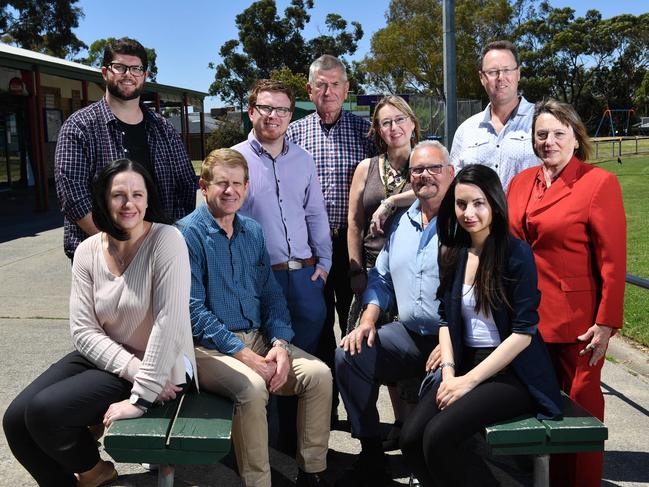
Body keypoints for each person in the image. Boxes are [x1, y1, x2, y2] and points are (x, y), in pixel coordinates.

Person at [4, 159, 197, 487]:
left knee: (44, 412)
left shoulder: (167, 240)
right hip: (112, 359)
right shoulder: (87, 251)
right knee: (14, 420)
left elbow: (170, 322)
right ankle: (89, 476)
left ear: (148, 199)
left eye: (138, 194)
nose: (129, 203)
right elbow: (83, 330)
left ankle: (94, 471)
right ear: (103, 200)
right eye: (118, 194)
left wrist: (141, 398)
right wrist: (131, 368)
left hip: (160, 366)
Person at [399, 164, 562, 486]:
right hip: (463, 367)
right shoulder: (455, 251)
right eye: (461, 204)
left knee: (438, 438)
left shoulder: (516, 254)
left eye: (478, 203)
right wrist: (448, 373)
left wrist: (467, 382)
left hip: (510, 374)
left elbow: (523, 333)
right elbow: (446, 318)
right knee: (411, 439)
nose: (469, 212)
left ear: (494, 204)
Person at [177, 148, 332, 487]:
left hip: (260, 339)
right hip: (209, 349)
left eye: (236, 183)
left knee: (318, 375)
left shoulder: (253, 231)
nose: (229, 191)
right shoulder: (186, 234)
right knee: (252, 388)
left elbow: (271, 295)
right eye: (221, 184)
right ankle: (257, 482)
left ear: (247, 188)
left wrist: (278, 343)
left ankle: (312, 472)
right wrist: (245, 356)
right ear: (204, 187)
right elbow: (193, 310)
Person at [507, 99, 626, 487]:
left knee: (581, 411)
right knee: (541, 408)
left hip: (580, 325)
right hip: (527, 321)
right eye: (542, 134)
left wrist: (606, 322)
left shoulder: (598, 183)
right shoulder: (521, 182)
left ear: (576, 138)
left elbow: (612, 260)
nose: (549, 141)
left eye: (559, 133)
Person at [334, 140, 454, 486]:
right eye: (417, 170)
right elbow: (382, 278)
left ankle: (432, 464)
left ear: (450, 173)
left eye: (433, 168)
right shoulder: (403, 222)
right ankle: (371, 455)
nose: (424, 176)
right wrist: (368, 320)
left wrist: (452, 344)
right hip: (410, 335)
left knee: (437, 391)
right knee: (350, 354)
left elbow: (476, 296)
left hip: (452, 341)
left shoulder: (464, 220)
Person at [55, 37, 197, 260]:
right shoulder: (79, 127)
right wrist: (116, 247)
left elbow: (186, 186)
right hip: (100, 257)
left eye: (135, 68)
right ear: (105, 72)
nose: (128, 74)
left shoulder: (163, 128)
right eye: (119, 67)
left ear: (145, 76)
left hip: (158, 254)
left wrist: (171, 239)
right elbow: (73, 196)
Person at [286, 54, 375, 387]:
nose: (328, 91)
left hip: (352, 244)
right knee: (315, 323)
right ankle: (324, 403)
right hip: (308, 249)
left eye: (335, 84)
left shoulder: (365, 132)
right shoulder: (294, 133)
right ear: (310, 90)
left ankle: (356, 402)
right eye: (321, 85)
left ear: (346, 88)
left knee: (352, 323)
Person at [233, 79, 331, 355]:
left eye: (282, 110)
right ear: (251, 112)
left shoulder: (304, 159)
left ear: (290, 115)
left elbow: (314, 213)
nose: (273, 115)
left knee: (305, 362)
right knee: (266, 359)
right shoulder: (233, 160)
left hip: (305, 276)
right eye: (265, 107)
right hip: (259, 279)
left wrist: (324, 264)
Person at [346, 95, 420, 448]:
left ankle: (412, 429)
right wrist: (356, 268)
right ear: (377, 129)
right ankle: (378, 434)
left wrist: (392, 200)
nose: (394, 127)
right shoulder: (368, 167)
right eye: (386, 122)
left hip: (415, 272)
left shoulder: (426, 161)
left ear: (412, 122)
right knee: (366, 348)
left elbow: (436, 190)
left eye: (399, 119)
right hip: (375, 271)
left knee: (409, 355)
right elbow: (354, 222)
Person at [450, 40, 539, 189]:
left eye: (507, 70)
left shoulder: (542, 120)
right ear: (481, 77)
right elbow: (454, 182)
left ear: (518, 73)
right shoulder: (466, 130)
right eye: (492, 72)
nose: (500, 77)